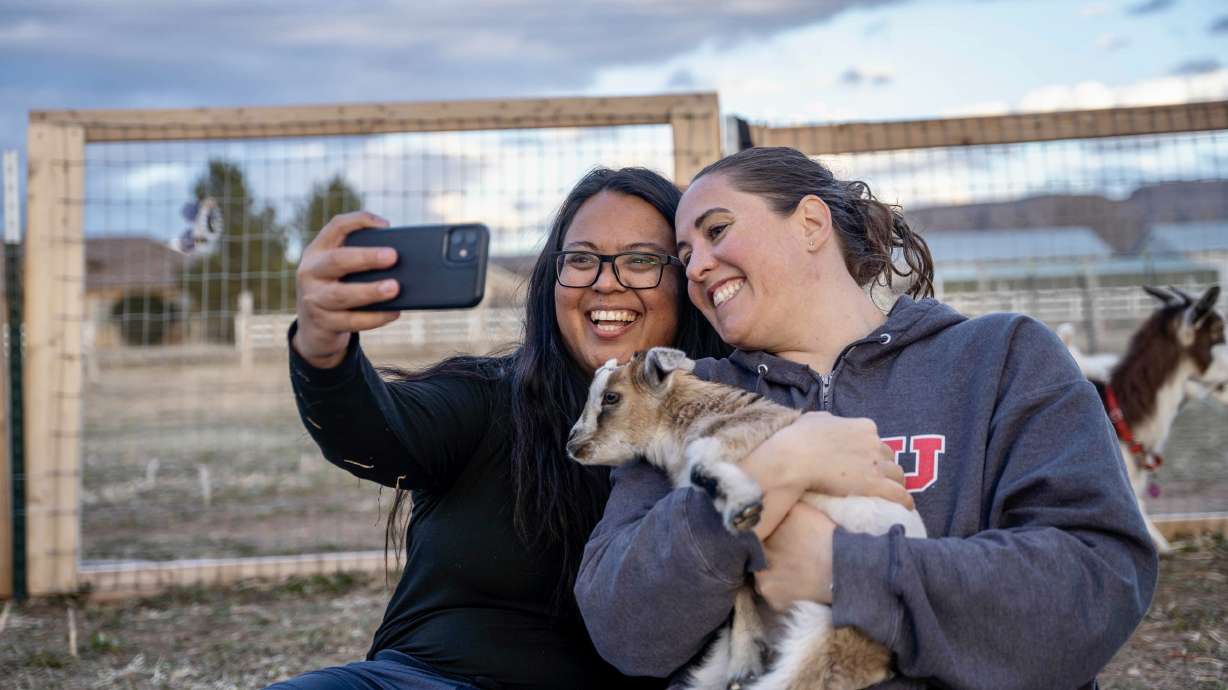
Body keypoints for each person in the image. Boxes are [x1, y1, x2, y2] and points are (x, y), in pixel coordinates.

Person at [270, 166, 908, 690]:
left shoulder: (732, 416)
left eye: (640, 261)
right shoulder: (489, 399)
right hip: (434, 679)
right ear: (553, 278)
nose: (607, 283)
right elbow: (372, 435)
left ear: (685, 285)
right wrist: (324, 346)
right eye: (581, 260)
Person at [575, 147, 1159, 690]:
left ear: (810, 223)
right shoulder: (690, 397)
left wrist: (845, 569)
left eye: (717, 231)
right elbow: (621, 626)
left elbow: (1096, 584)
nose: (698, 266)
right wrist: (770, 470)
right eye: (684, 256)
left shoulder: (999, 359)